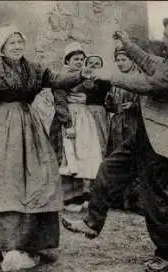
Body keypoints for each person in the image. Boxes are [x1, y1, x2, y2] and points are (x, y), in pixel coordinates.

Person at [62, 15, 168, 272]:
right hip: (143, 134)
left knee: (152, 197)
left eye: (167, 35)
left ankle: (164, 253)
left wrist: (110, 76)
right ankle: (93, 222)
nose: (163, 38)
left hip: (161, 140)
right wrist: (127, 43)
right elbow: (149, 63)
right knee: (108, 170)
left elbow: (149, 84)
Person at [0, 25, 91, 271]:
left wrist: (81, 75)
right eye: (11, 43)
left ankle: (31, 243)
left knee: (35, 180)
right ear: (2, 47)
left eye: (19, 42)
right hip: (1, 128)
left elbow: (58, 79)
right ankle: (4, 245)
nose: (16, 46)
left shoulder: (35, 68)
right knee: (6, 182)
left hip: (30, 126)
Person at [51, 44, 111, 212]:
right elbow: (60, 102)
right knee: (67, 157)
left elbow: (98, 93)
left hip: (84, 118)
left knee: (81, 157)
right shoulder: (61, 77)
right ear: (67, 60)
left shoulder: (86, 78)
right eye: (75, 59)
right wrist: (68, 124)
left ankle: (80, 195)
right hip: (68, 119)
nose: (79, 62)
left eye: (81, 59)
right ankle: (67, 197)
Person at [104, 48, 143, 211]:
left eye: (124, 60)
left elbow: (151, 103)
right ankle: (119, 199)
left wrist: (135, 106)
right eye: (118, 60)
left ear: (133, 60)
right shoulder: (116, 79)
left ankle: (138, 201)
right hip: (118, 124)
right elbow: (112, 103)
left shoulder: (140, 79)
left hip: (134, 124)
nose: (120, 63)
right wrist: (110, 103)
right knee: (117, 159)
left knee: (135, 159)